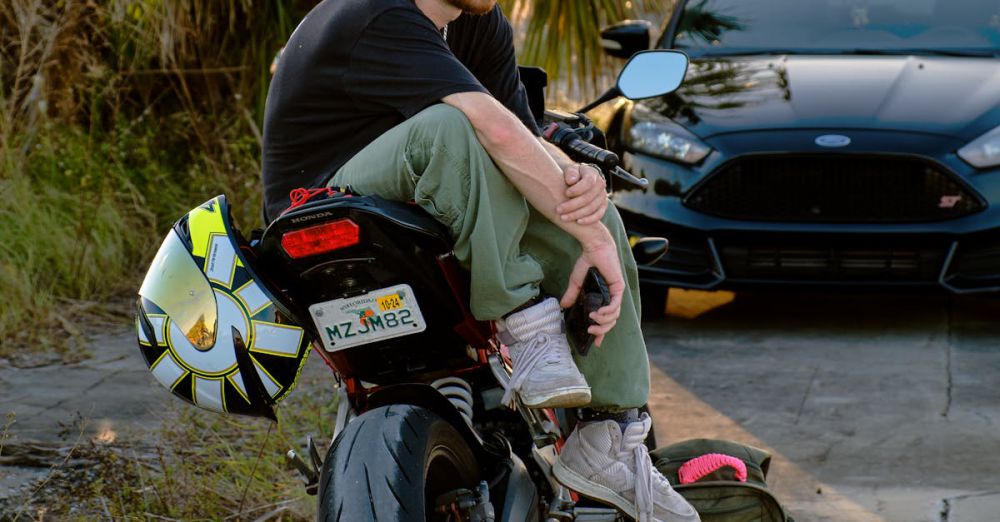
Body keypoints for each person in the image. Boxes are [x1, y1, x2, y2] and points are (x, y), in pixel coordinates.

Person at [261, 0, 699, 520]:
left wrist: (579, 182)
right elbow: (491, 128)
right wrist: (587, 232)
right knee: (452, 126)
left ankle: (610, 439)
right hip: (319, 203)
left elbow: (523, 133)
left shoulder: (480, 25)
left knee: (594, 211)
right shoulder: (377, 11)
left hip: (411, 204)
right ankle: (527, 330)